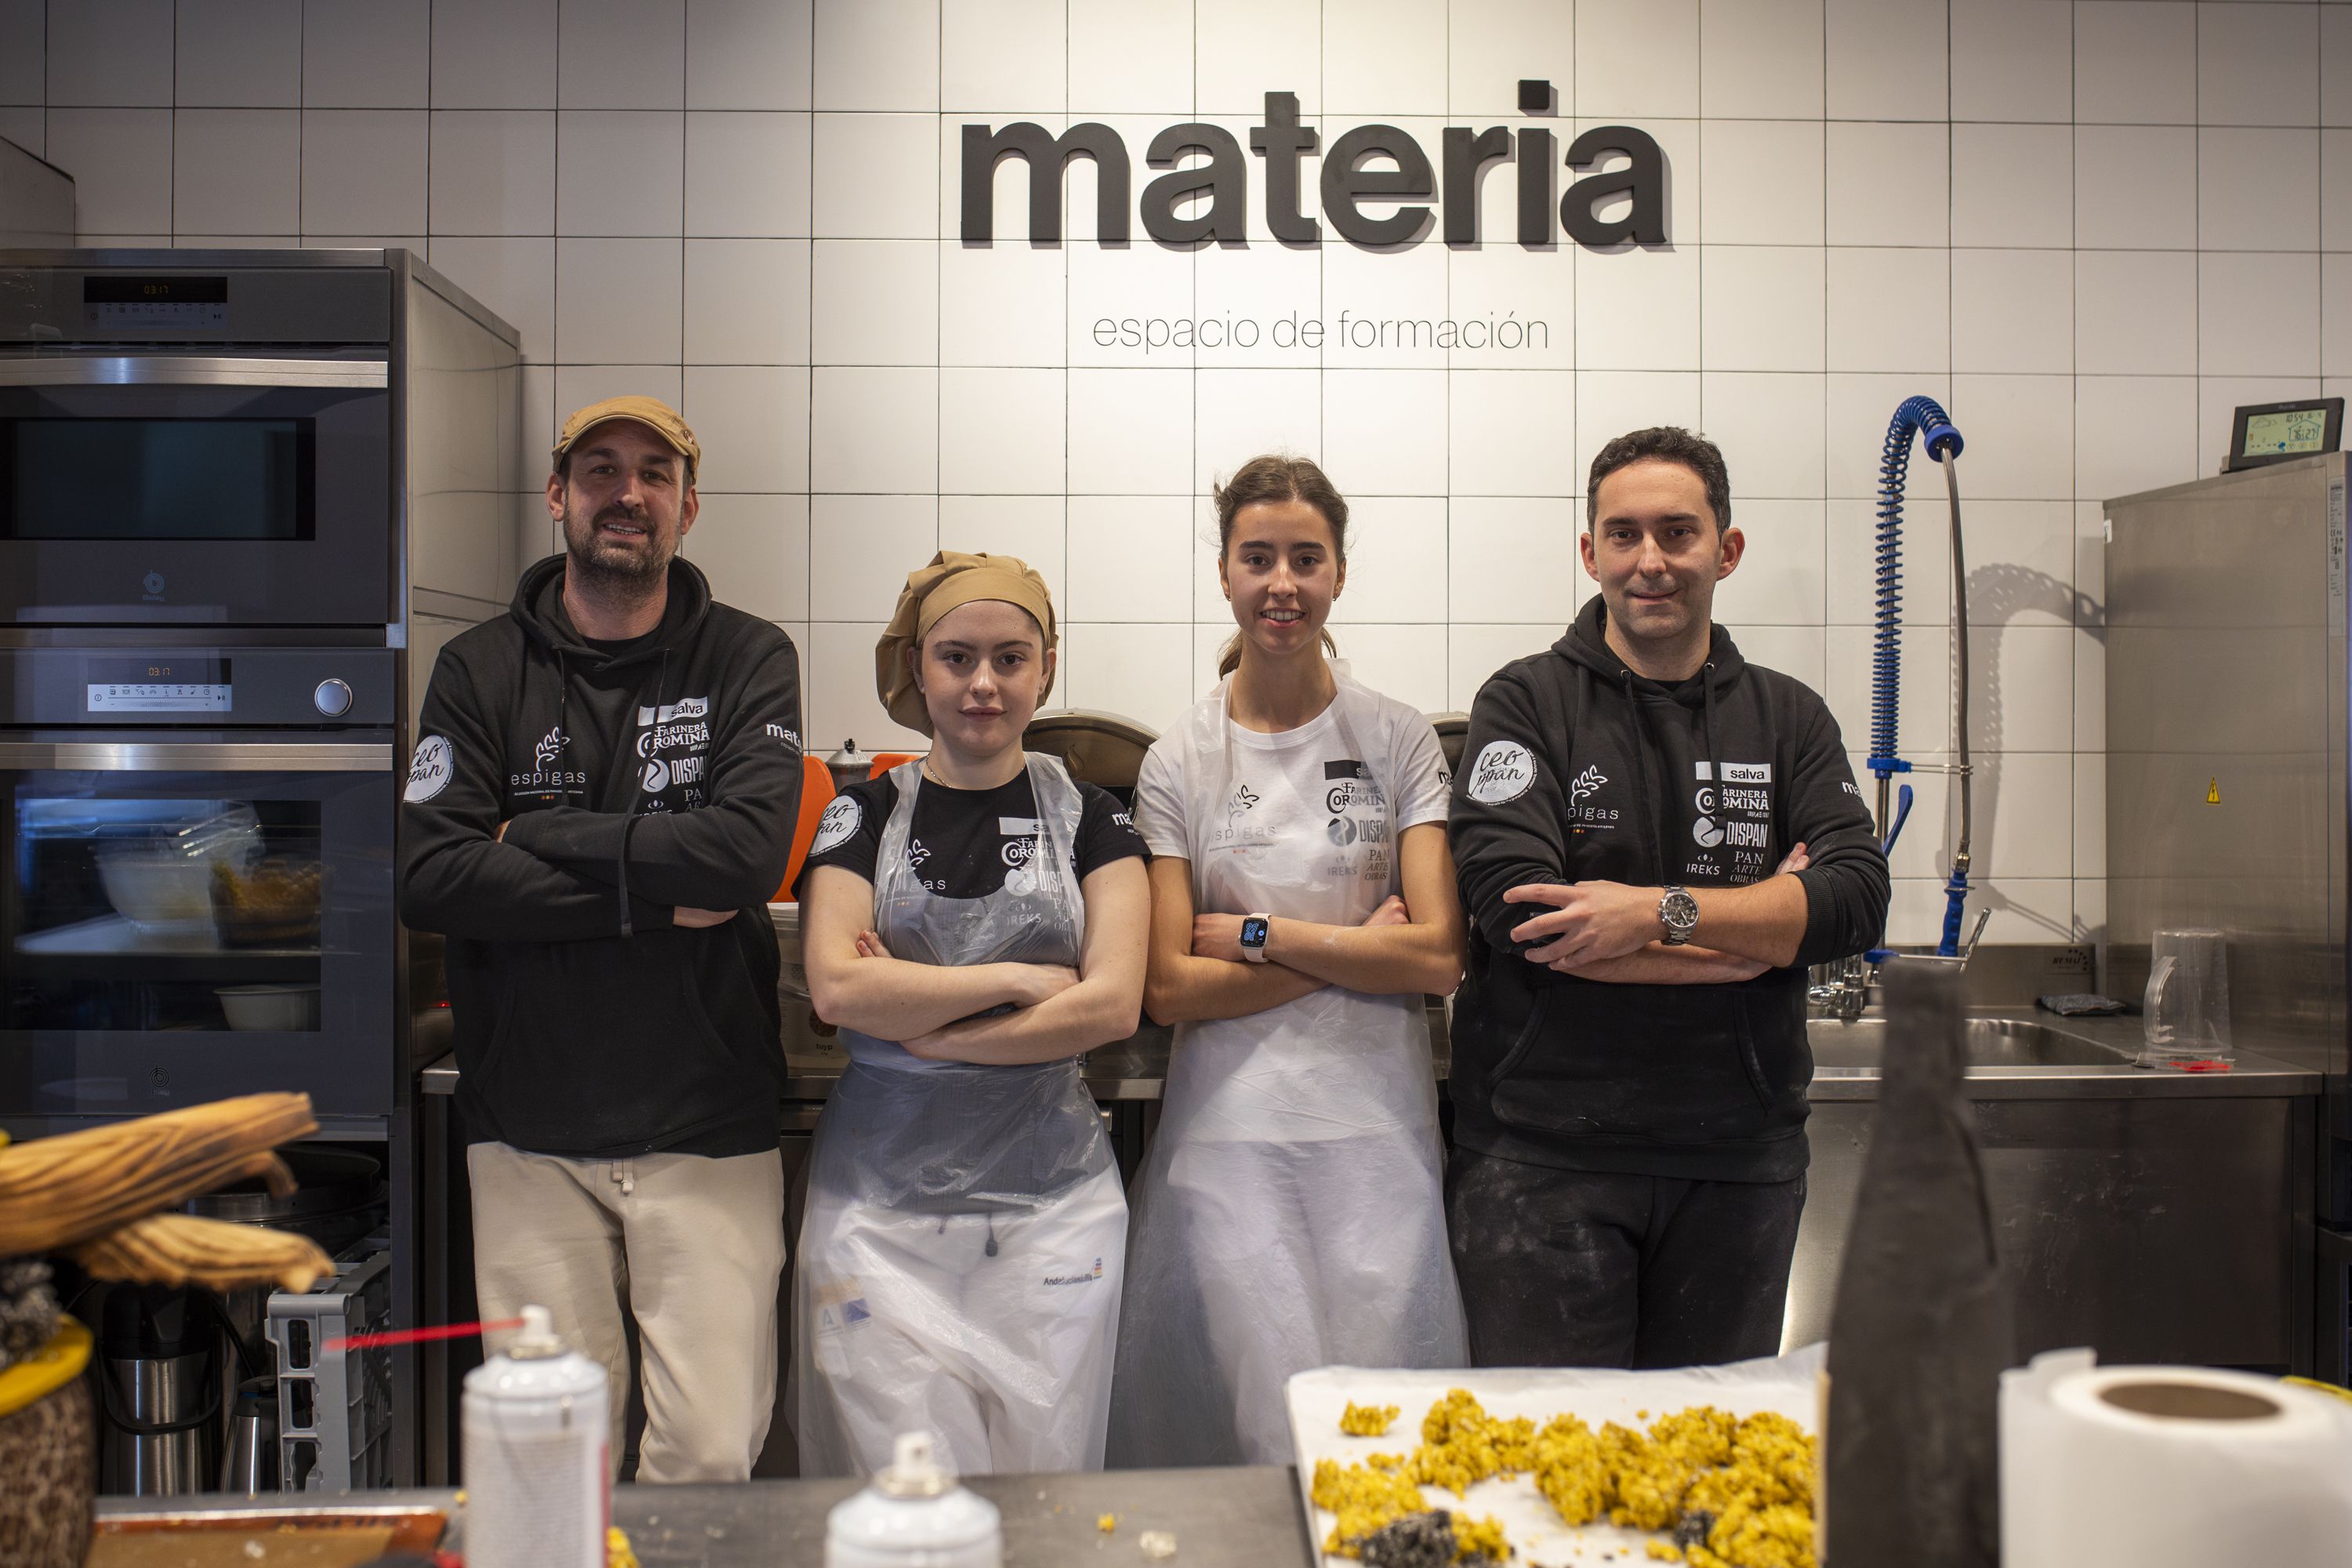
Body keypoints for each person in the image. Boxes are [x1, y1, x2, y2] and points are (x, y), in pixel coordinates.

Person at [399, 395, 804, 1481]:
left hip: (706, 1125)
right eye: (600, 470)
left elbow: (742, 863)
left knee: (712, 1453)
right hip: (528, 1129)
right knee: (550, 1460)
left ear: (688, 505)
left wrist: (533, 833)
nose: (627, 494)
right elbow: (432, 872)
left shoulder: (747, 657)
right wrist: (643, 894)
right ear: (557, 495)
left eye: (654, 474)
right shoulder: (479, 668)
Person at [1445, 425, 1889, 1370]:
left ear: (1725, 549)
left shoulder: (1789, 716)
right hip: (1541, 1160)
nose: (1650, 561)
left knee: (1705, 1475)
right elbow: (1523, 918)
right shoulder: (1523, 704)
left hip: (1740, 1159)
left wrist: (1653, 914)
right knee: (1544, 1472)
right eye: (1624, 534)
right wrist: (1764, 925)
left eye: (1678, 533)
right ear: (1590, 550)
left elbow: (1854, 897)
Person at [1108, 456, 1469, 1468]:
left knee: (1376, 1428)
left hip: (1376, 1137)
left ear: (1339, 574)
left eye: (1305, 559)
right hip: (1231, 1143)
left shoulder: (1396, 740)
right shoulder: (1181, 757)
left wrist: (1265, 937)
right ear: (1224, 572)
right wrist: (1364, 950)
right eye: (1258, 557)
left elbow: (1439, 955)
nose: (1282, 583)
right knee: (1271, 1427)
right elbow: (1170, 984)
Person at [789, 550, 1150, 1477]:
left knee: (1045, 1495)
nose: (983, 684)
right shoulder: (860, 812)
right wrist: (1025, 983)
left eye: (1009, 658)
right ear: (919, 667)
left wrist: (918, 1018)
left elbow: (1111, 1003)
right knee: (905, 1495)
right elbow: (835, 986)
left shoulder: (1097, 819)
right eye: (956, 657)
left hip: (1053, 1210)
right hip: (878, 1214)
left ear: (1046, 666)